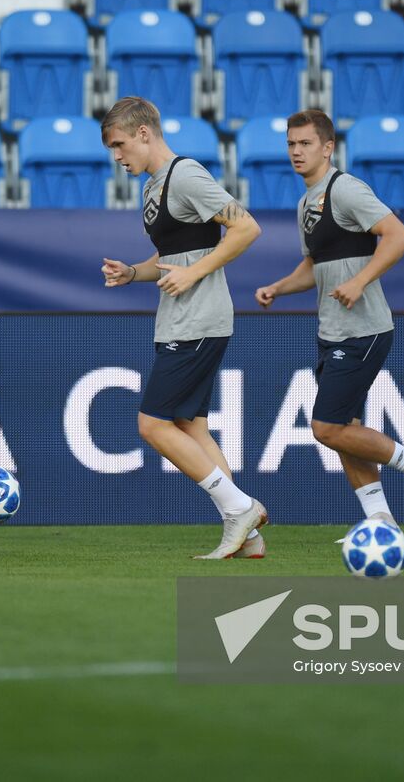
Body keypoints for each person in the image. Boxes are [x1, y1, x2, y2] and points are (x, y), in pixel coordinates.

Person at [253, 109, 404, 527]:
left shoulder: (345, 189)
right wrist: (279, 288)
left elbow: (399, 235)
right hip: (333, 330)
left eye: (306, 143)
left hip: (364, 329)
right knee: (347, 430)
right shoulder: (306, 202)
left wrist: (360, 281)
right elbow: (314, 266)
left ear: (328, 147)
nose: (296, 151)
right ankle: (381, 522)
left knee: (326, 427)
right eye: (291, 144)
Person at [99, 96, 266, 559]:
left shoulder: (186, 175)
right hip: (181, 319)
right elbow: (175, 255)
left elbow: (246, 228)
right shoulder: (153, 187)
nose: (117, 156)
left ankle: (241, 508)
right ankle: (248, 537)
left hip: (199, 319)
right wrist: (133, 272)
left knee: (152, 425)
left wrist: (193, 274)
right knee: (191, 427)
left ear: (144, 134)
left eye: (119, 144)